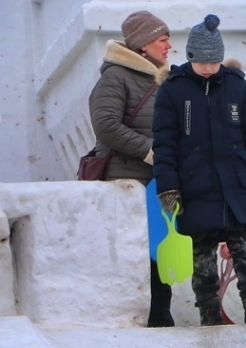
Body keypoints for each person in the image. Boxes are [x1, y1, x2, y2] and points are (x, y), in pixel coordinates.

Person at [152, 14, 246, 326]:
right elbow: (164, 143)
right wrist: (168, 186)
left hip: (236, 181)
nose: (208, 68)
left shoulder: (237, 87)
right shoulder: (173, 90)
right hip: (196, 183)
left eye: (214, 62)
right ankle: (209, 312)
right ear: (191, 57)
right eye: (202, 62)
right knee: (202, 252)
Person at [88, 10, 175, 328]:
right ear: (143, 43)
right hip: (127, 180)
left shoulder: (166, 78)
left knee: (161, 247)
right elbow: (106, 126)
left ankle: (161, 314)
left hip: (160, 180)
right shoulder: (115, 77)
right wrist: (150, 151)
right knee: (135, 250)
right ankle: (145, 315)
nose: (168, 45)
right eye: (162, 38)